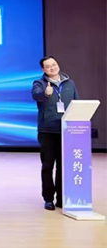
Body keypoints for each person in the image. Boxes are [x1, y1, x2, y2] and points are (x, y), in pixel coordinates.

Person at [31, 56, 79, 211]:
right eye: (48, 66)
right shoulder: (39, 83)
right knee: (47, 166)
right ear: (43, 69)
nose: (52, 68)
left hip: (66, 130)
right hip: (47, 131)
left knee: (63, 167)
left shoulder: (70, 83)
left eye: (54, 64)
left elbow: (77, 103)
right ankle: (48, 198)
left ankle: (61, 198)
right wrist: (46, 93)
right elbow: (36, 95)